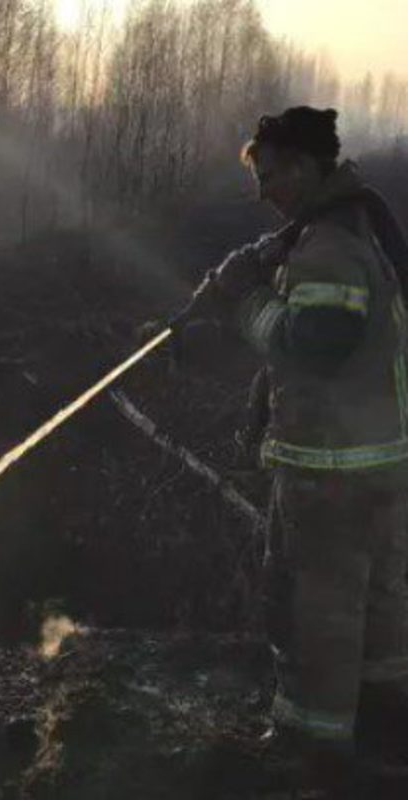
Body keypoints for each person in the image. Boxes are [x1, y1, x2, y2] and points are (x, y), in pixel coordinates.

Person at [177, 106, 408, 792]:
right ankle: (384, 738)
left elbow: (317, 347)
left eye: (270, 176)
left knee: (316, 611)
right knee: (378, 610)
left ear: (308, 168)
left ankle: (315, 755)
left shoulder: (329, 249)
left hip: (331, 473)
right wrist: (261, 261)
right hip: (377, 462)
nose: (263, 193)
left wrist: (245, 301)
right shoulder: (350, 226)